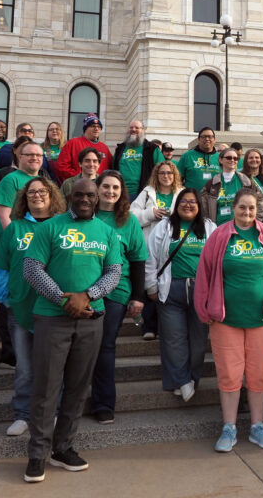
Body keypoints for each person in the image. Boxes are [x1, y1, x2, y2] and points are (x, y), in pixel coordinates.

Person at [21, 178, 122, 482]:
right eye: (78, 194)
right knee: (46, 387)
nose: (84, 199)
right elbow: (31, 268)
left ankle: (63, 448)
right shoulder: (49, 227)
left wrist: (87, 296)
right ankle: (37, 454)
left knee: (78, 388)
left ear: (96, 198)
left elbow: (114, 271)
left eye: (90, 195)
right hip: (53, 318)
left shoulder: (107, 232)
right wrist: (63, 299)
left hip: (92, 317)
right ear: (68, 196)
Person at [195, 188, 263, 453]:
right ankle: (229, 427)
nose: (246, 213)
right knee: (229, 374)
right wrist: (203, 308)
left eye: (251, 208)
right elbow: (204, 272)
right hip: (226, 320)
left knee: (259, 374)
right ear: (233, 208)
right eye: (242, 208)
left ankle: (258, 426)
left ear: (257, 209)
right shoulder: (219, 236)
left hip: (262, 319)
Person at [0, 177, 66, 437]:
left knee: (54, 367)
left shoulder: (63, 226)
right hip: (21, 308)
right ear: (24, 199)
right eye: (31, 192)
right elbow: (2, 264)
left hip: (55, 310)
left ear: (52, 195)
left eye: (42, 191)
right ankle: (23, 414)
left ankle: (53, 413)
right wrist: (5, 296)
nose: (36, 196)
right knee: (24, 368)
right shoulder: (15, 228)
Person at [146, 187, 216, 400]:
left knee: (197, 340)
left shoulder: (210, 227)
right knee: (174, 340)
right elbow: (151, 258)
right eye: (183, 201)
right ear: (177, 205)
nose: (188, 205)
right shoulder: (164, 227)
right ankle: (182, 380)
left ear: (199, 206)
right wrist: (151, 287)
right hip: (171, 289)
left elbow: (218, 261)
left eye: (193, 202)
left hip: (201, 292)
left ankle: (191, 378)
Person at [89, 170, 147, 425]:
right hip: (83, 290)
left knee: (105, 345)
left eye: (116, 188)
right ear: (97, 188)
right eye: (106, 187)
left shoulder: (129, 221)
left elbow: (137, 261)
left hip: (116, 291)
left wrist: (137, 296)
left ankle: (103, 403)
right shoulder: (84, 214)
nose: (110, 192)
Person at [130, 161, 182, 340]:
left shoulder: (181, 193)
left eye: (170, 173)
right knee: (149, 287)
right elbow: (131, 217)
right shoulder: (147, 193)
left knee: (168, 288)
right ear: (156, 175)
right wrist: (151, 213)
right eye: (162, 173)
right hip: (150, 245)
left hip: (173, 247)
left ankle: (165, 327)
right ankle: (149, 327)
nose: (166, 176)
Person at [200, 146, 261, 224]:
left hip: (241, 227)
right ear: (221, 160)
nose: (232, 160)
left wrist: (254, 223)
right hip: (218, 229)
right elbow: (204, 207)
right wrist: (209, 225)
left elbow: (260, 202)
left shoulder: (246, 182)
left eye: (235, 158)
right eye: (229, 158)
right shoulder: (211, 184)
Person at [0, 139, 45, 228]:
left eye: (38, 155)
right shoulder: (11, 179)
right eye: (29, 154)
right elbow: (2, 215)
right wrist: (14, 237)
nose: (35, 158)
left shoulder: (44, 181)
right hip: (20, 237)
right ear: (20, 157)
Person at [112, 119, 164, 199]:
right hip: (120, 194)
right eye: (131, 127)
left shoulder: (152, 149)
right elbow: (113, 170)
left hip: (144, 194)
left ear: (142, 130)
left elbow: (162, 169)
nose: (133, 130)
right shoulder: (120, 149)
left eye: (137, 128)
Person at [56, 114, 111, 181]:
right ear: (85, 128)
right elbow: (61, 166)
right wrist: (81, 176)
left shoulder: (104, 148)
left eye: (99, 127)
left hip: (99, 187)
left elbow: (111, 168)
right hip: (78, 185)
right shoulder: (73, 143)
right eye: (92, 126)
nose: (96, 129)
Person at [176, 127, 221, 192]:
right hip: (193, 199)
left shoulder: (221, 157)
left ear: (214, 139)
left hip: (215, 198)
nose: (207, 139)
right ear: (199, 139)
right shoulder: (187, 156)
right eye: (204, 136)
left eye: (210, 137)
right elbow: (177, 179)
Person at [242, 147, 263, 218]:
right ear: (246, 160)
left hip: (262, 216)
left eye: (257, 157)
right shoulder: (241, 177)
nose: (254, 160)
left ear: (261, 160)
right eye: (251, 158)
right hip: (245, 215)